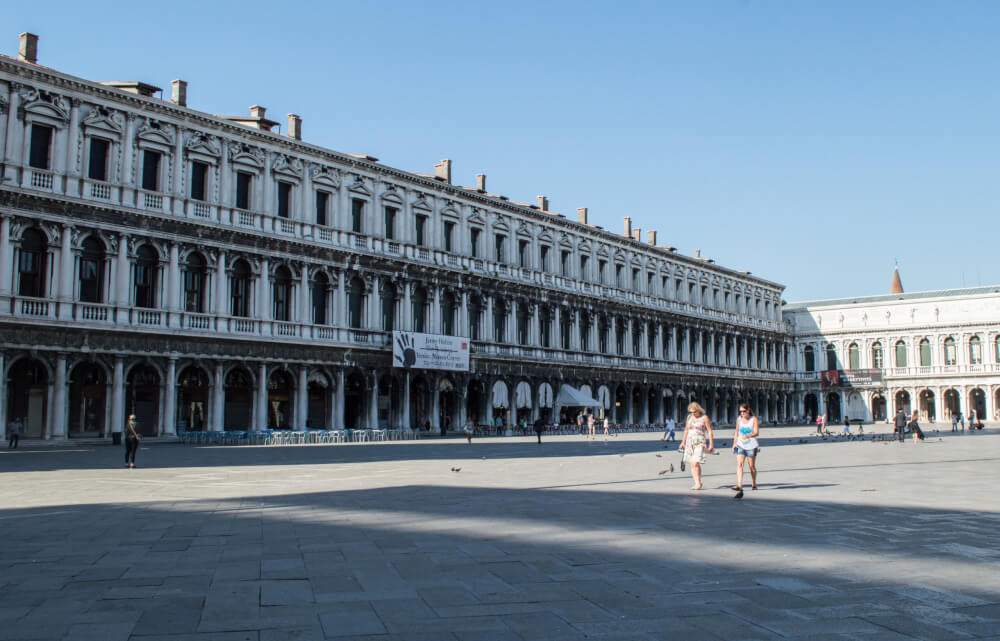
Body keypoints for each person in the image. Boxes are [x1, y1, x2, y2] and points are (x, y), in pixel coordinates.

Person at [679, 402, 714, 490]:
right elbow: (686, 430)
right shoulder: (689, 417)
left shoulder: (704, 418)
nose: (693, 413)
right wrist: (682, 442)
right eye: (691, 412)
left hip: (700, 442)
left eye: (694, 412)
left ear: (698, 410)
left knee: (695, 462)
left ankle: (698, 483)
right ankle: (697, 483)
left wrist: (711, 444)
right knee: (692, 464)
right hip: (689, 442)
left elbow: (709, 431)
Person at [732, 404, 760, 491]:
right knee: (740, 464)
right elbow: (736, 432)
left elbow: (756, 432)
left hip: (751, 445)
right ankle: (739, 485)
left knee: (751, 466)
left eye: (744, 411)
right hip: (740, 444)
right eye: (740, 411)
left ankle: (754, 483)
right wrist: (734, 443)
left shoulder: (753, 419)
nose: (742, 413)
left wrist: (748, 435)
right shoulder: (739, 419)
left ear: (748, 410)